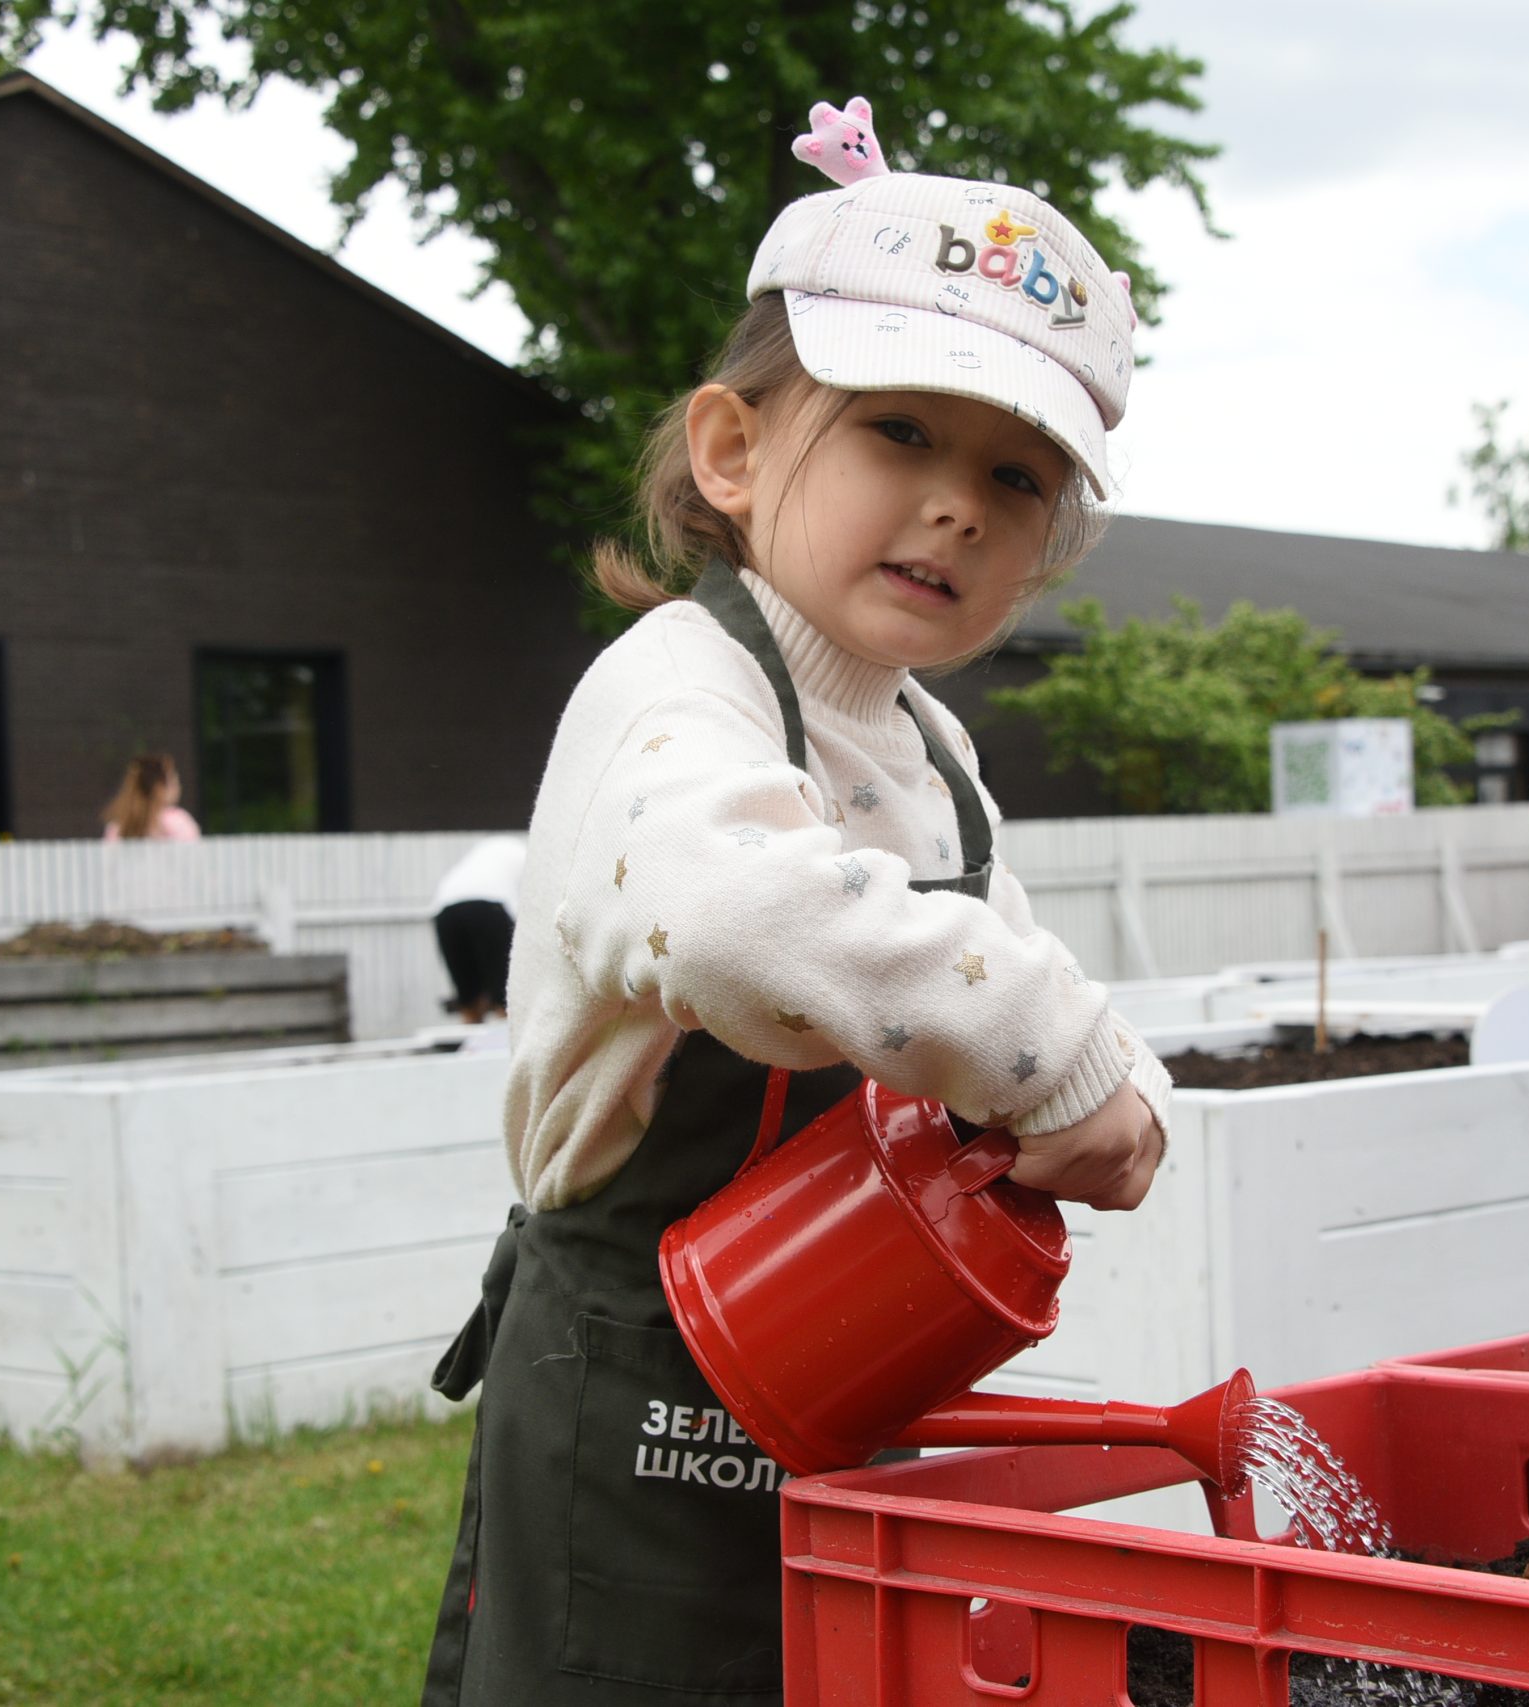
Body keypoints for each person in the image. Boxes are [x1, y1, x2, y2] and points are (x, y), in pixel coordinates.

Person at [420, 99, 1170, 1706]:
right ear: (736, 450)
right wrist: (1059, 1050)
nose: (961, 500)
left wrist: (1125, 1090)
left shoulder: (931, 748)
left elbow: (1013, 969)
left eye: (1019, 474)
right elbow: (741, 924)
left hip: (837, 1348)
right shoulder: (675, 690)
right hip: (634, 1367)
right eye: (901, 431)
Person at [432, 834, 526, 1024]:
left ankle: (470, 1024)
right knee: (507, 994)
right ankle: (507, 1039)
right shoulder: (527, 854)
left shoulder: (488, 851)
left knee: (469, 997)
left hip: (444, 908)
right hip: (489, 904)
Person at [100, 753, 202, 842]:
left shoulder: (116, 828)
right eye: (173, 780)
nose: (178, 786)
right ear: (158, 787)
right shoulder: (177, 821)